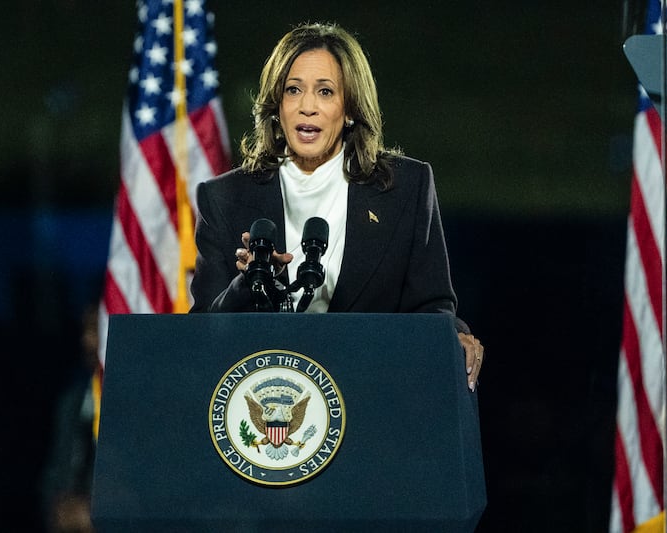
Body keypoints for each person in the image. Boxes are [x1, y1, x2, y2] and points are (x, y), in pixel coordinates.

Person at [190, 22, 484, 391]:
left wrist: (453, 334)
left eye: (325, 92)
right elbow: (201, 333)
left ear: (349, 109)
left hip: (371, 396)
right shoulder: (224, 198)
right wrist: (247, 284)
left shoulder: (405, 187)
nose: (307, 107)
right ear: (276, 106)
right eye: (293, 90)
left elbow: (431, 306)